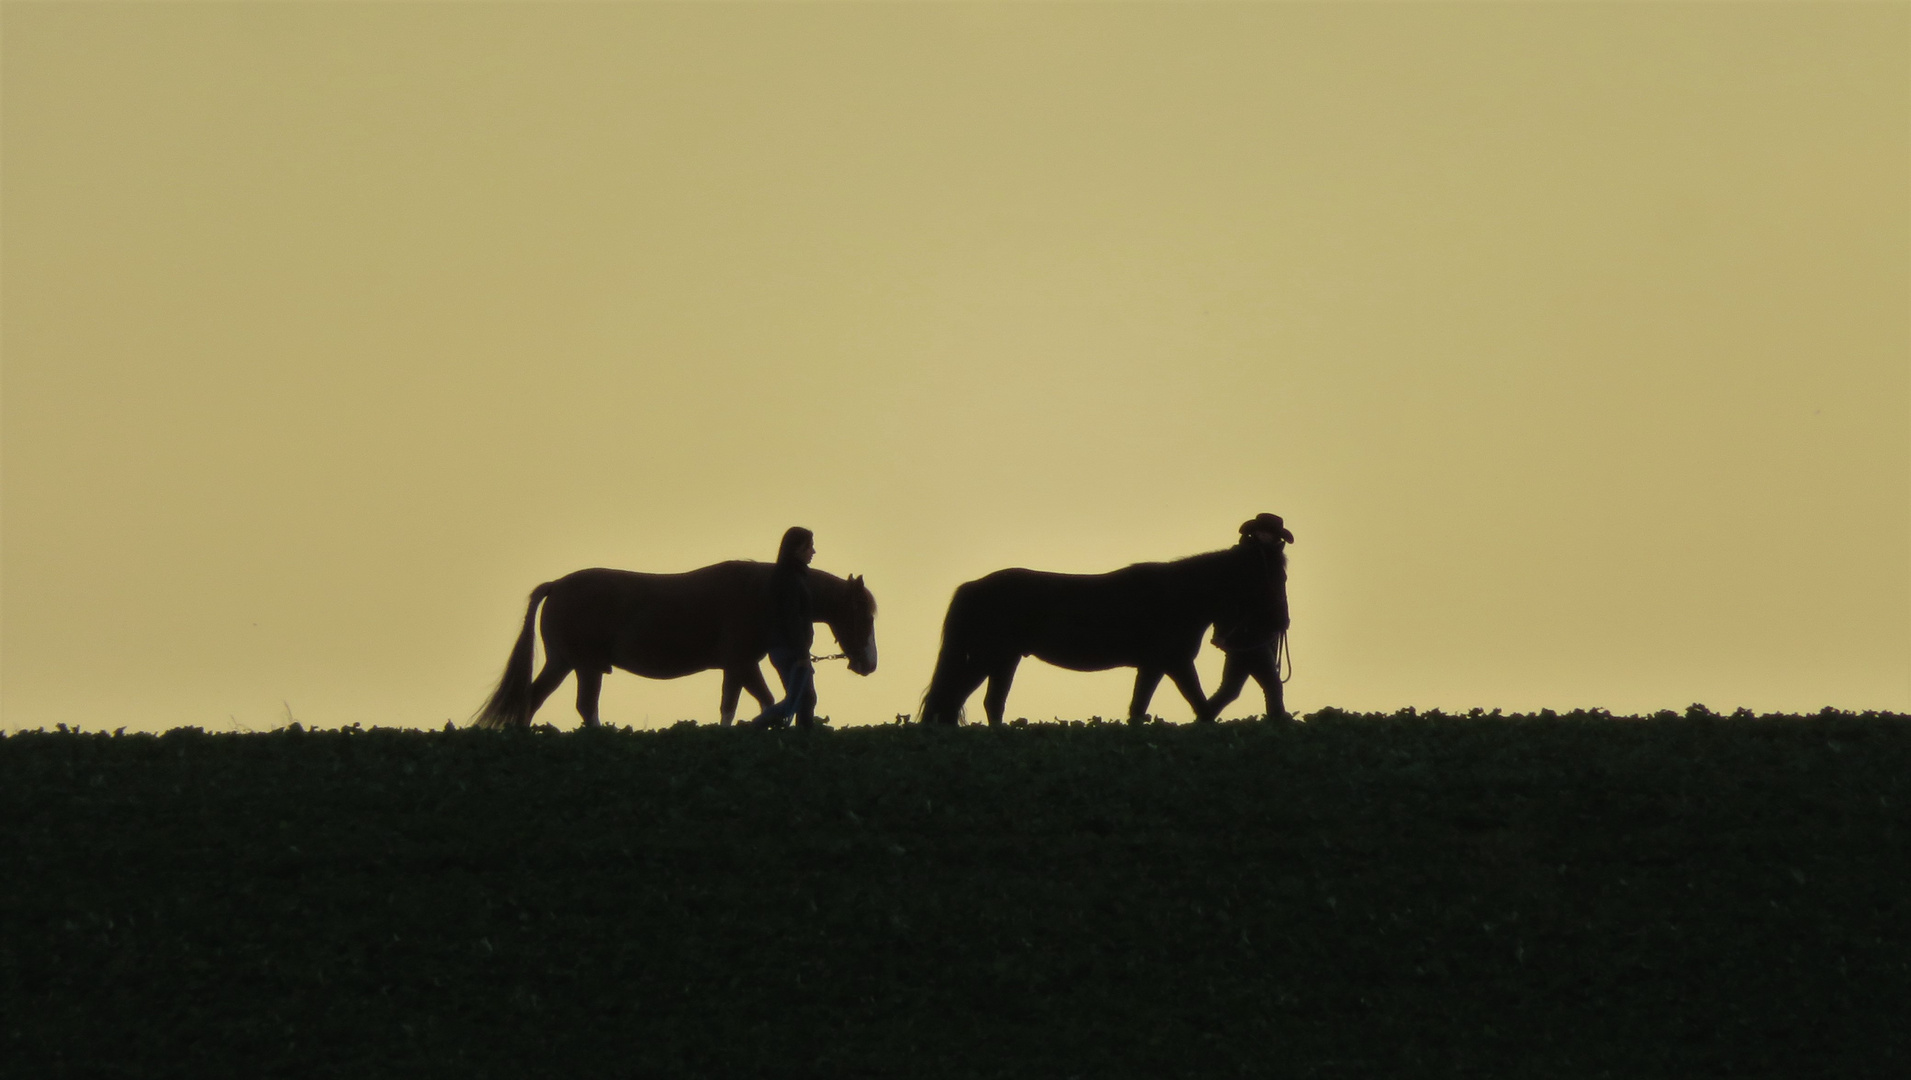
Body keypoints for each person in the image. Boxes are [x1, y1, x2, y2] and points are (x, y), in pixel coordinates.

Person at [1206, 513, 1294, 722]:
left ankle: (1204, 719)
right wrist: (1223, 632)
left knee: (1230, 689)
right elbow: (1227, 600)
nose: (1265, 536)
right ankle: (1278, 721)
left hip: (1262, 633)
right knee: (1271, 684)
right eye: (1262, 532)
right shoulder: (1241, 561)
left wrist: (1281, 620)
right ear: (1254, 533)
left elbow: (1278, 596)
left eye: (1269, 533)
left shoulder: (1272, 563)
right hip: (1247, 633)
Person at [749, 526, 819, 729]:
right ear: (797, 550)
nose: (813, 552)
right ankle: (755, 727)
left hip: (788, 649)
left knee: (804, 699)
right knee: (802, 700)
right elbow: (791, 620)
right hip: (789, 650)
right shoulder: (790, 579)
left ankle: (801, 740)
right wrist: (802, 654)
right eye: (809, 547)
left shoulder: (791, 576)